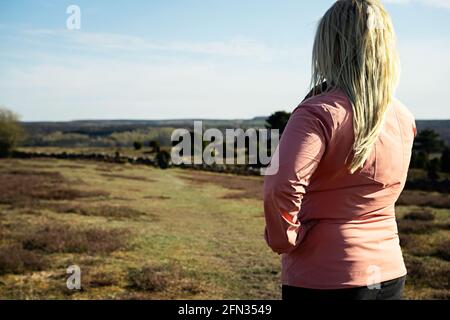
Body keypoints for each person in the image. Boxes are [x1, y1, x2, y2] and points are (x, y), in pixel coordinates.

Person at [263, 0, 416, 300]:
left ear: (329, 46)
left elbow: (280, 187)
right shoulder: (403, 116)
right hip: (389, 273)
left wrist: (284, 239)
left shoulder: (316, 113)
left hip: (325, 276)